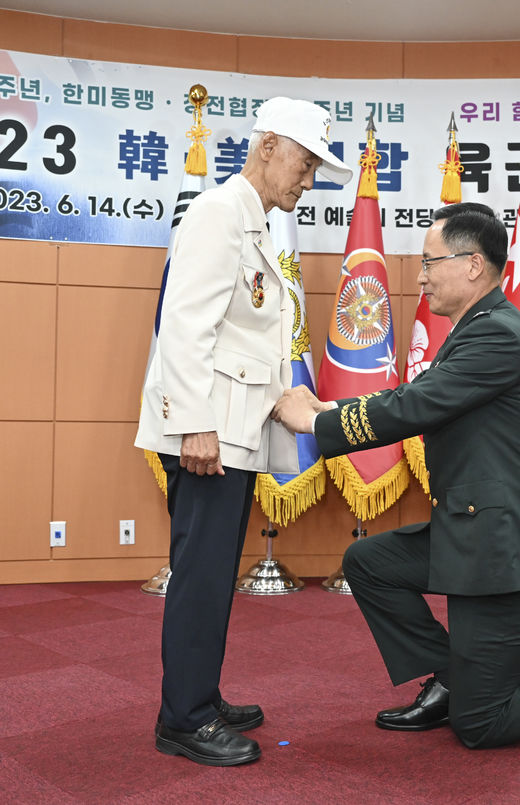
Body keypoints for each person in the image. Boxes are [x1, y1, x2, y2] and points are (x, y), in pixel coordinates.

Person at [271, 202, 520, 749]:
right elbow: (412, 399)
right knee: (371, 563)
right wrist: (325, 413)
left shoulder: (499, 334)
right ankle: (454, 678)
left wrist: (316, 422)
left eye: (432, 262)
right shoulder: (475, 329)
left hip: (510, 555)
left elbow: (415, 406)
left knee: (482, 725)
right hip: (471, 535)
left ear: (474, 265)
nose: (422, 275)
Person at [135, 97, 353, 766]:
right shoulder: (218, 214)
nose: (308, 180)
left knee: (211, 574)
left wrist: (288, 397)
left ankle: (198, 692)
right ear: (267, 148)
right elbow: (185, 326)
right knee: (200, 576)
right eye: (305, 163)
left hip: (233, 433)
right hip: (207, 436)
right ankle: (185, 719)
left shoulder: (252, 222)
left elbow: (242, 340)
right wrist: (195, 424)